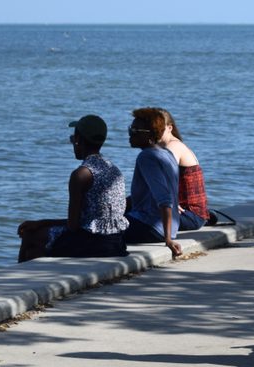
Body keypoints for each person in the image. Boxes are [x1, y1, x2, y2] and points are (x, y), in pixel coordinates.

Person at [17, 115, 129, 262]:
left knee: (30, 236)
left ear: (78, 140)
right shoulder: (114, 170)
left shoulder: (81, 174)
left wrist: (41, 224)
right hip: (117, 243)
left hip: (94, 244)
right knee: (37, 249)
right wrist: (43, 223)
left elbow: (73, 225)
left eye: (72, 139)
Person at [125, 107, 184, 257]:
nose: (130, 135)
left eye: (135, 131)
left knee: (94, 228)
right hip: (166, 227)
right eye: (130, 129)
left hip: (149, 227)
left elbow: (165, 199)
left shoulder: (146, 157)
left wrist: (168, 240)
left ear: (151, 135)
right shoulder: (167, 154)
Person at [157, 108, 210, 231]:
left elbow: (166, 177)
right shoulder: (171, 146)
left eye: (159, 127)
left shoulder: (173, 147)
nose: (155, 131)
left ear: (170, 127)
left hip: (190, 215)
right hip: (193, 214)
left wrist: (170, 202)